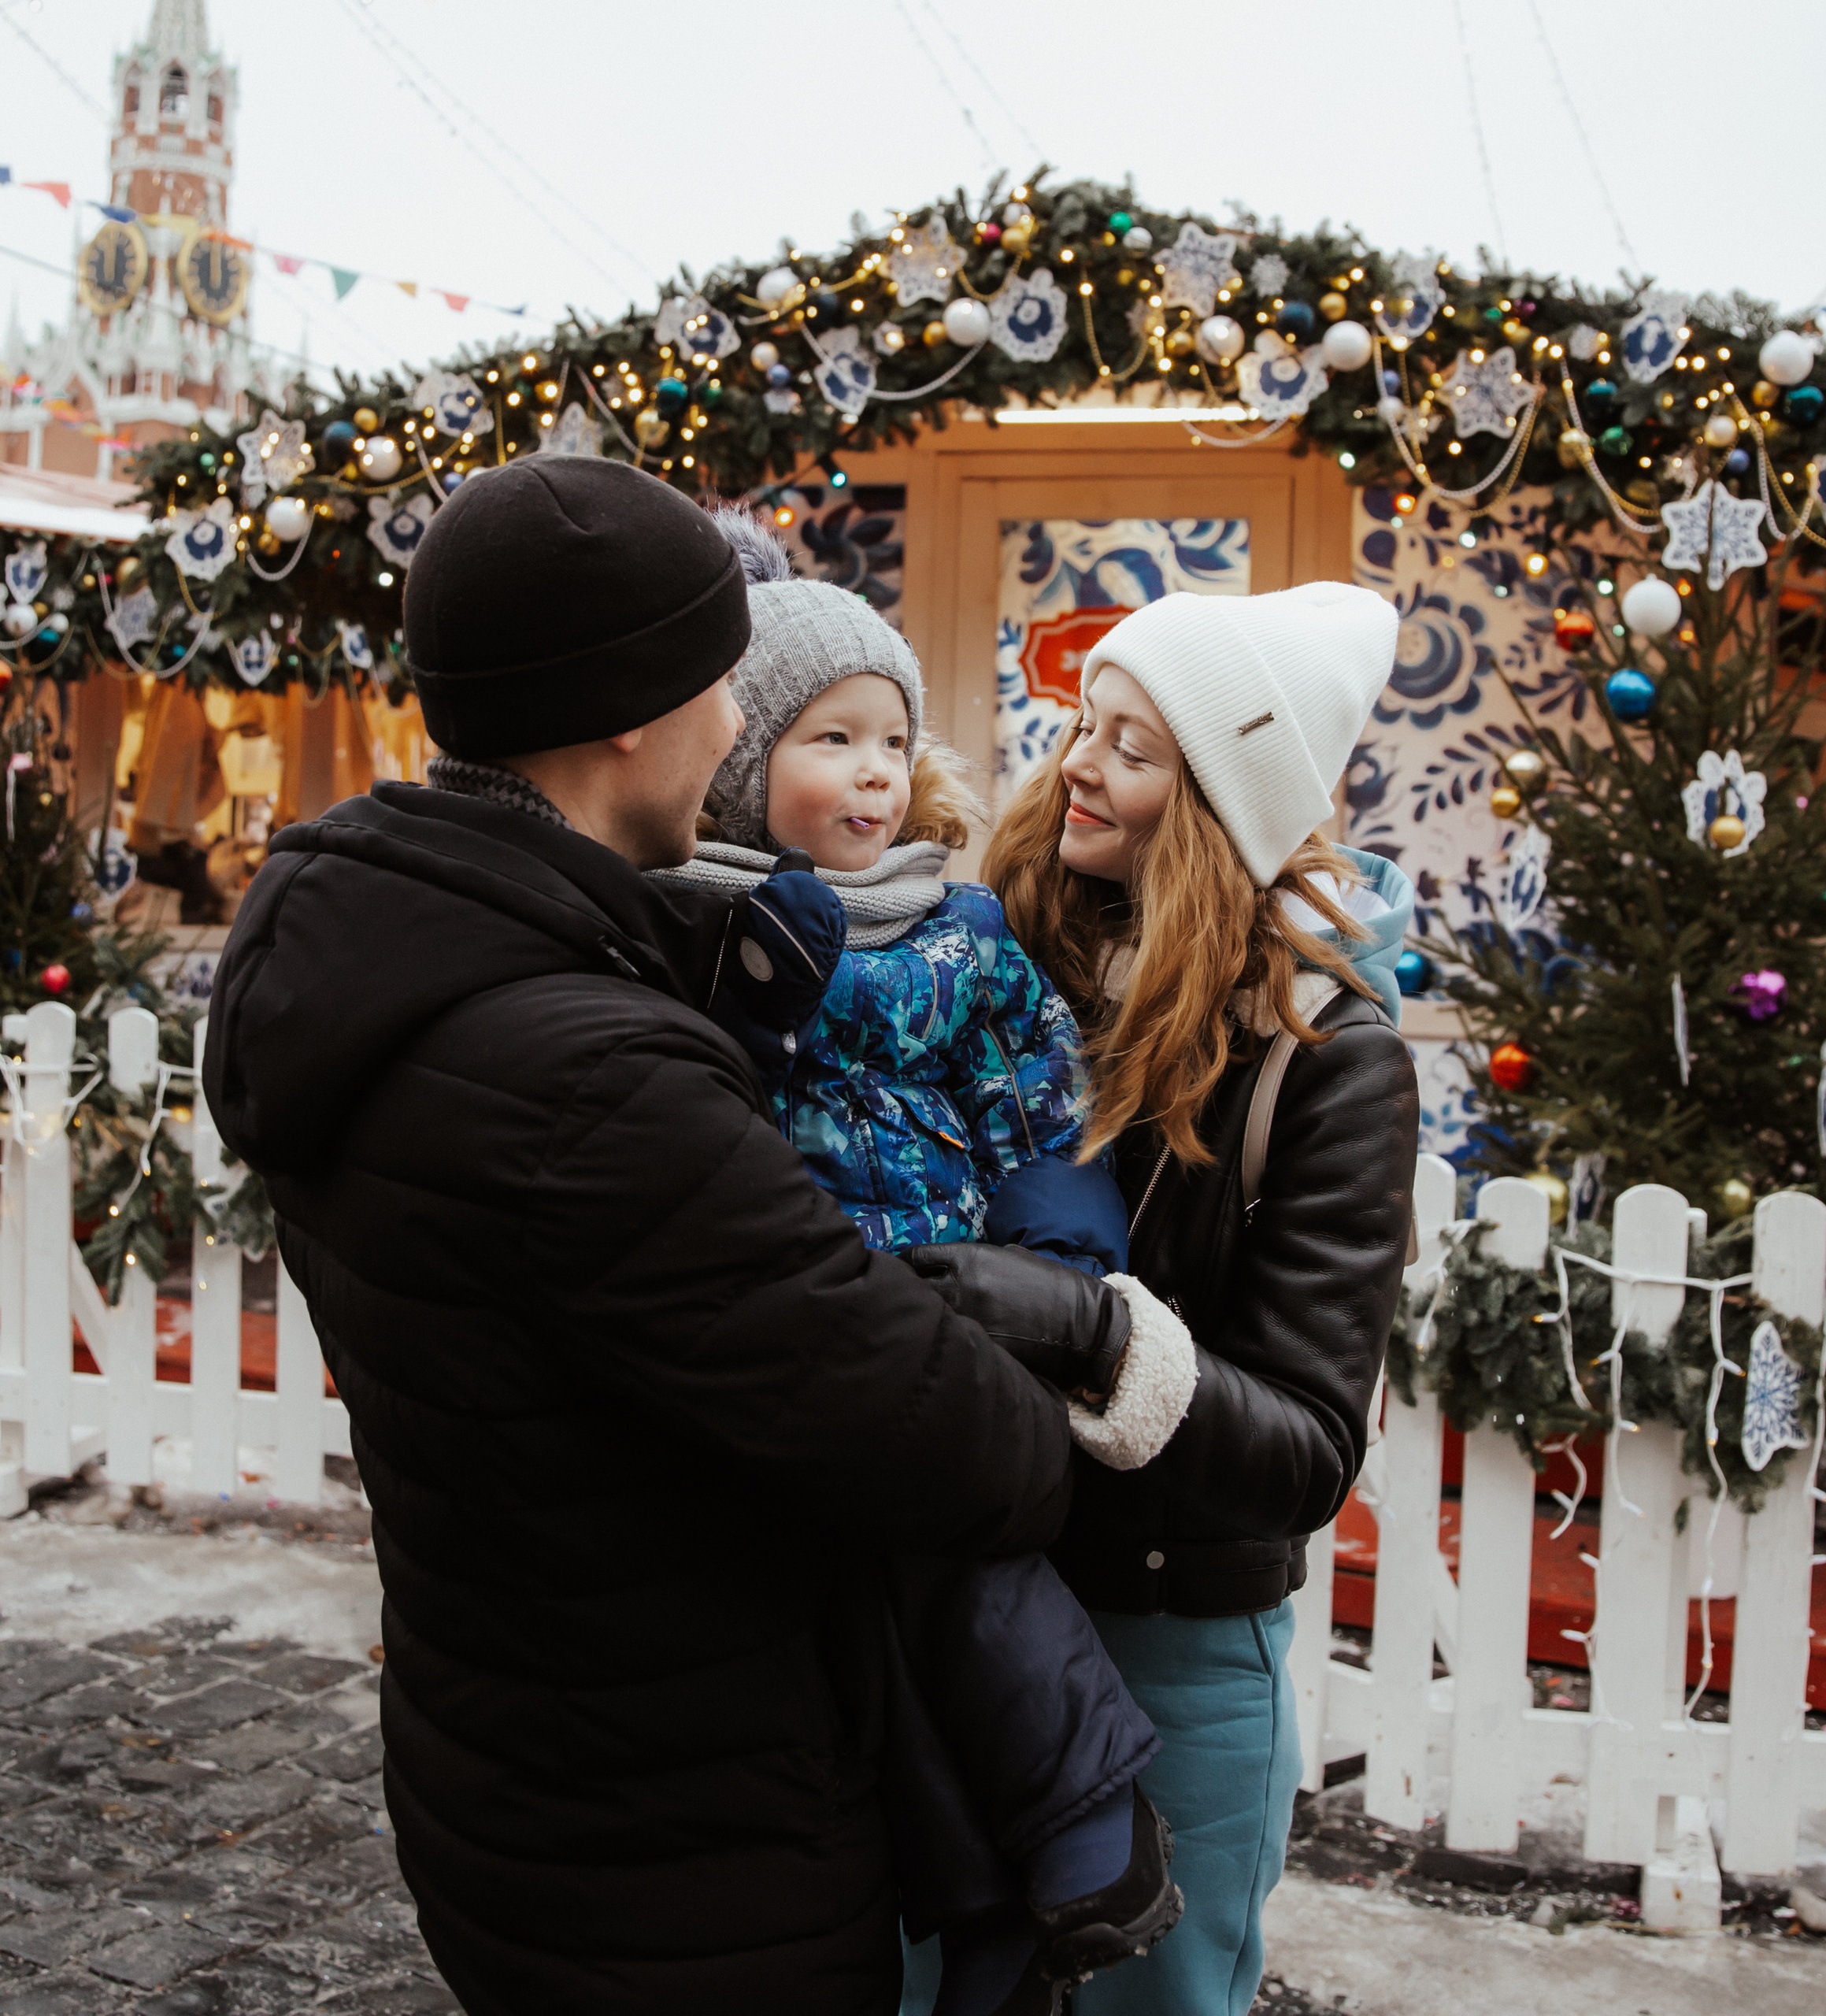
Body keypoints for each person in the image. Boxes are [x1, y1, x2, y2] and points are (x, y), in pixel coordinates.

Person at [198, 457, 1143, 2016]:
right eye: (721, 680)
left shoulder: (382, 957)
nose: (735, 722)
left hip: (504, 1746)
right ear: (634, 710)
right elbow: (954, 1443)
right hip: (682, 1843)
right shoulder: (587, 1075)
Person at [657, 512, 1195, 2016]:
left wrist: (1057, 1261)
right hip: (798, 1294)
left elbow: (1036, 1090)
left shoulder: (957, 929)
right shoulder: (694, 923)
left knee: (966, 1562)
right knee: (877, 1621)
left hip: (953, 1288)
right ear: (745, 761)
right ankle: (986, 1910)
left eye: (894, 738)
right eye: (833, 739)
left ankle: (1094, 1825)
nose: (878, 771)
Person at [983, 584, 1420, 2016]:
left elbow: (1305, 1444)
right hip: (969, 1600)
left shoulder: (1327, 1060)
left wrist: (1102, 1337)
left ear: (1223, 804)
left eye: (1134, 747)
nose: (1078, 767)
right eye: (1082, 726)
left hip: (1173, 1647)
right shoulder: (991, 971)